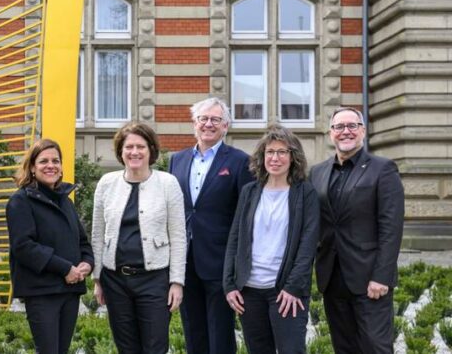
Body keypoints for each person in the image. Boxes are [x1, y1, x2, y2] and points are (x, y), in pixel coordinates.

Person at [309, 107, 404, 354]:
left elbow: (391, 228)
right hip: (332, 277)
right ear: (331, 133)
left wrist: (382, 276)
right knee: (344, 347)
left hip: (369, 278)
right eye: (339, 127)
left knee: (375, 347)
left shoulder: (383, 169)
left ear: (362, 131)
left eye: (352, 125)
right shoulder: (317, 172)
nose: (346, 131)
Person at [223, 124, 320, 354]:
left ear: (293, 157)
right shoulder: (250, 191)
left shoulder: (305, 193)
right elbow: (235, 238)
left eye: (282, 152)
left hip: (286, 292)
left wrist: (293, 287)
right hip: (249, 291)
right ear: (262, 156)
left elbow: (308, 245)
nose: (275, 158)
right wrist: (229, 284)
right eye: (270, 152)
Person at [168, 97, 255, 354]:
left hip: (220, 262)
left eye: (215, 119)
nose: (208, 124)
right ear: (194, 123)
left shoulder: (240, 162)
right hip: (185, 260)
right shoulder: (177, 160)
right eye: (203, 119)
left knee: (220, 335)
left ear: (225, 125)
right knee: (193, 333)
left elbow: (246, 216)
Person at [91, 122, 186, 354]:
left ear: (151, 150)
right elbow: (97, 234)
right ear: (120, 151)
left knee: (155, 346)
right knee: (126, 347)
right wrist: (97, 279)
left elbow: (178, 236)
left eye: (141, 146)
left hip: (154, 280)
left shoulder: (167, 183)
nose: (134, 152)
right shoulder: (107, 183)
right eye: (129, 147)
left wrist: (176, 282)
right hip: (115, 280)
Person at [6, 139, 94, 354]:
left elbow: (82, 242)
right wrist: (65, 269)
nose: (51, 165)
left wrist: (86, 264)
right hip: (42, 292)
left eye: (56, 160)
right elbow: (24, 246)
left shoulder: (65, 200)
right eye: (43, 161)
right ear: (33, 168)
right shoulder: (20, 201)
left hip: (70, 290)